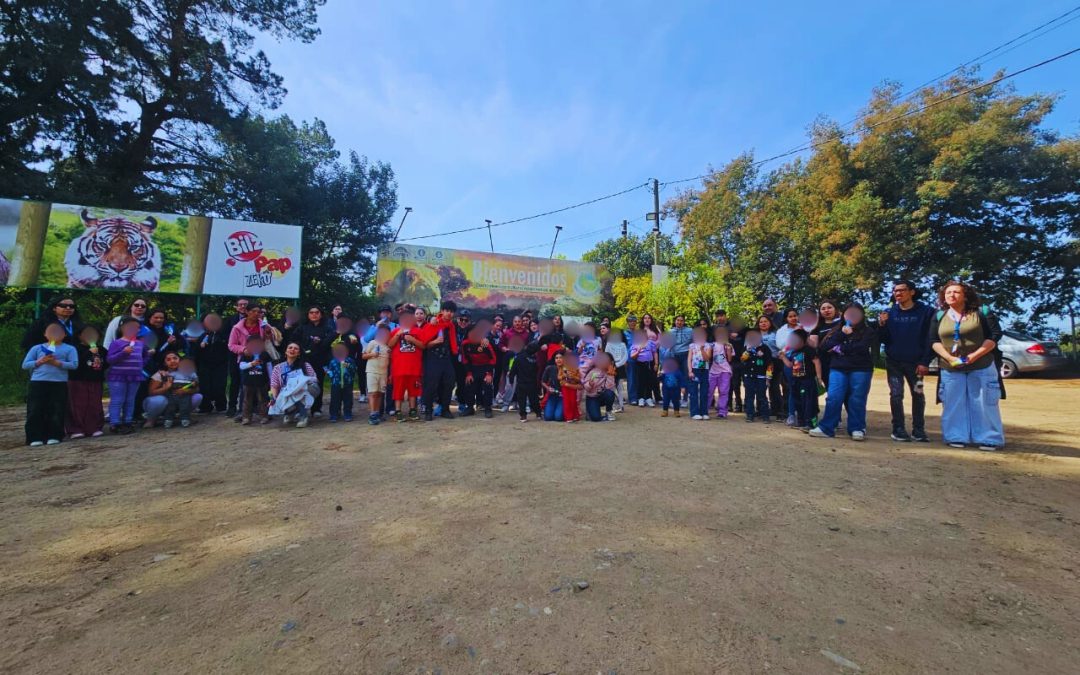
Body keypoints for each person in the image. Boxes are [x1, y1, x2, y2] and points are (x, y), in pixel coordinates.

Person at [929, 281, 1005, 451]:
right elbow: (933, 340)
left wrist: (974, 356)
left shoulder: (981, 313)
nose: (951, 295)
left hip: (981, 366)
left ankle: (989, 438)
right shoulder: (939, 315)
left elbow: (994, 335)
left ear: (965, 295)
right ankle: (956, 436)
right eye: (948, 292)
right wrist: (948, 358)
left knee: (984, 402)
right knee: (953, 402)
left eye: (956, 292)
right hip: (951, 367)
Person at [879, 280, 935, 442]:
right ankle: (898, 429)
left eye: (902, 290)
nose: (898, 294)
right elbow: (884, 339)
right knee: (896, 395)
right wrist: (882, 325)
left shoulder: (926, 312)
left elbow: (930, 338)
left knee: (918, 394)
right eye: (895, 291)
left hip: (917, 363)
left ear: (912, 292)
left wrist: (925, 362)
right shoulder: (890, 312)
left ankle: (918, 430)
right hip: (893, 362)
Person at [810, 304, 877, 441]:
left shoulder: (868, 331)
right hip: (838, 368)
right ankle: (827, 427)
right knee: (834, 397)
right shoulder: (837, 330)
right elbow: (826, 347)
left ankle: (857, 428)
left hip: (861, 369)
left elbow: (862, 348)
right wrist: (842, 335)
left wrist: (841, 347)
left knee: (857, 398)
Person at [22, 322, 77, 446]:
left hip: (59, 382)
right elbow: (25, 365)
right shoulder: (36, 348)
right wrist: (40, 361)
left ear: (64, 334)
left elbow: (74, 365)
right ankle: (34, 436)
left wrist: (58, 363)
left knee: (57, 409)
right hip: (38, 382)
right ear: (45, 334)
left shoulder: (69, 348)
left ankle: (55, 435)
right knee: (35, 409)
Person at [417, 300, 460, 421]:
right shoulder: (434, 323)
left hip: (446, 359)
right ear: (442, 311)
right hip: (433, 358)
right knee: (431, 385)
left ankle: (445, 409)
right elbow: (424, 344)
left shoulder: (451, 326)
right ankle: (428, 411)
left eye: (451, 311)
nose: (449, 313)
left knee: (449, 383)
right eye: (447, 311)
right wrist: (435, 342)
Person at [106, 318, 150, 434]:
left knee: (130, 400)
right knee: (117, 400)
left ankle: (128, 421)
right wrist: (123, 352)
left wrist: (140, 364)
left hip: (135, 376)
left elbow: (146, 356)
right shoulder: (116, 343)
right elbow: (110, 359)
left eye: (136, 327)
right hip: (117, 376)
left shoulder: (140, 344)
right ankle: (114, 423)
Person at [67, 324, 105, 439]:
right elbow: (75, 363)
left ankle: (94, 427)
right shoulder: (74, 349)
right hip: (77, 380)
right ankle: (76, 429)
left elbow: (107, 363)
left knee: (95, 404)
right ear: (79, 335)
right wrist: (89, 352)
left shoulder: (102, 349)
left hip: (96, 380)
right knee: (78, 405)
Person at [269, 343, 319, 428]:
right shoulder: (278, 368)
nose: (292, 350)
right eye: (290, 348)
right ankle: (290, 413)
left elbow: (314, 379)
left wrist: (301, 382)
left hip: (306, 390)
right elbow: (274, 385)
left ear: (299, 353)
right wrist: (272, 398)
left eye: (296, 349)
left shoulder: (305, 365)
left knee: (300, 392)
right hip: (286, 393)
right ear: (285, 351)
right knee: (279, 400)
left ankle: (303, 417)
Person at [388, 306, 424, 422]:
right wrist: (398, 334)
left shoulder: (418, 331)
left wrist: (412, 340)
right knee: (398, 390)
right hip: (399, 368)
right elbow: (389, 345)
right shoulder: (395, 331)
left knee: (413, 390)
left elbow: (423, 346)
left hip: (414, 367)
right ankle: (398, 411)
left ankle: (412, 410)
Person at [145, 354, 201, 428]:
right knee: (158, 400)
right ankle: (151, 419)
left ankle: (185, 416)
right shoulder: (161, 374)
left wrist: (185, 391)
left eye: (175, 358)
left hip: (181, 399)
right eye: (168, 360)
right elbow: (151, 393)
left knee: (197, 397)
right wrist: (165, 388)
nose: (172, 361)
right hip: (162, 402)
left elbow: (197, 389)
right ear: (164, 363)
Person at [782, 329, 822, 430]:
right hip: (796, 380)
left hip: (807, 380)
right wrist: (783, 357)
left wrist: (819, 376)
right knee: (798, 401)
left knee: (808, 401)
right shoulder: (794, 352)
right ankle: (801, 422)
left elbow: (816, 362)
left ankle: (810, 423)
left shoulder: (808, 350)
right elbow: (790, 364)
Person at [299, 306, 334, 417]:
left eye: (317, 312)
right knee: (301, 385)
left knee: (318, 384)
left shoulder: (327, 328)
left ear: (321, 314)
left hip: (320, 361)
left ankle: (316, 408)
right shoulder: (302, 328)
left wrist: (320, 342)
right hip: (304, 361)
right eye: (311, 312)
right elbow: (294, 341)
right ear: (308, 315)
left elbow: (329, 344)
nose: (314, 314)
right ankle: (301, 409)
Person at [195, 313, 231, 414]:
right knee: (204, 386)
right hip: (204, 364)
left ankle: (221, 405)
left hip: (220, 364)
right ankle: (205, 406)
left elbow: (228, 346)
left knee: (219, 386)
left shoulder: (223, 333)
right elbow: (195, 350)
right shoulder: (201, 334)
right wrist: (200, 345)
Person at [461, 322, 497, 418]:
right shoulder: (465, 344)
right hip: (473, 368)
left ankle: (488, 408)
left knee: (487, 385)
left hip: (486, 367)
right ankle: (469, 407)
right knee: (469, 384)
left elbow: (493, 359)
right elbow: (465, 360)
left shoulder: (485, 343)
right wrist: (468, 373)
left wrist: (489, 373)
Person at [237, 335, 272, 425]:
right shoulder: (246, 354)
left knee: (263, 399)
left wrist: (271, 380)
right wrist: (251, 364)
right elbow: (241, 366)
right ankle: (246, 417)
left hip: (262, 381)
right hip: (248, 382)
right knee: (247, 400)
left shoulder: (265, 354)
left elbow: (269, 367)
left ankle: (264, 416)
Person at [223, 298, 250, 416]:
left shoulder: (256, 320)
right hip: (234, 355)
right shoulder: (230, 320)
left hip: (251, 356)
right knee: (234, 381)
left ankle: (245, 408)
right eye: (240, 305)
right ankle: (232, 407)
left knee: (249, 382)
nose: (243, 306)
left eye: (245, 305)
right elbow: (224, 336)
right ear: (236, 307)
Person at [774, 308, 801, 425]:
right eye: (790, 316)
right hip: (788, 360)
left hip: (803, 359)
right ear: (786, 318)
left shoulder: (803, 328)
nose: (793, 318)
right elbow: (780, 345)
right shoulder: (781, 330)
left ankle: (804, 414)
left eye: (795, 315)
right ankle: (791, 414)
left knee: (804, 387)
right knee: (792, 386)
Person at [361, 325, 391, 425]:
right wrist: (373, 354)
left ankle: (377, 412)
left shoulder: (387, 346)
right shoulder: (372, 343)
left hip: (383, 373)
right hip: (372, 371)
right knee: (373, 393)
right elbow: (363, 356)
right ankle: (372, 414)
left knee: (380, 394)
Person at [507, 335, 541, 422]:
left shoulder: (519, 357)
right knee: (534, 399)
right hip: (531, 383)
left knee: (521, 400)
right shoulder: (534, 359)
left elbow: (513, 370)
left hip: (521, 383)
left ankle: (523, 416)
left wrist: (511, 379)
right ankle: (538, 413)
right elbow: (537, 370)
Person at [755, 315, 784, 419]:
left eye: (765, 321)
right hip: (759, 363)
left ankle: (778, 410)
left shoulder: (776, 334)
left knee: (774, 387)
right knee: (760, 386)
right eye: (761, 322)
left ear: (770, 322)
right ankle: (760, 409)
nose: (763, 323)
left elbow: (782, 346)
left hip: (774, 362)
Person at [741, 328, 772, 423]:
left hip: (761, 377)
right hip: (748, 376)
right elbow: (742, 359)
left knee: (762, 396)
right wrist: (747, 351)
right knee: (749, 396)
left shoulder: (765, 348)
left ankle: (765, 415)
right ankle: (750, 415)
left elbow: (770, 364)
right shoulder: (747, 348)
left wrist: (768, 377)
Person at [325, 342, 357, 422]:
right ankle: (334, 414)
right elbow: (329, 370)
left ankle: (347, 413)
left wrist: (348, 366)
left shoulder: (350, 360)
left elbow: (354, 370)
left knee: (348, 399)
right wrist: (331, 376)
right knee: (335, 400)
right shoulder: (333, 361)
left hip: (348, 383)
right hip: (336, 384)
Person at [687, 326, 712, 420]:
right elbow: (689, 359)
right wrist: (690, 371)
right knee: (693, 391)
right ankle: (694, 412)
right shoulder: (692, 346)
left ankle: (704, 412)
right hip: (694, 369)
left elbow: (707, 359)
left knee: (704, 391)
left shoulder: (708, 345)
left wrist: (702, 350)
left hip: (704, 370)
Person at [708, 325, 734, 419]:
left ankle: (722, 411)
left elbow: (730, 359)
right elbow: (708, 357)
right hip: (713, 371)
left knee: (723, 391)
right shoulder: (711, 345)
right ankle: (705, 408)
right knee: (709, 390)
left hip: (725, 371)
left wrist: (728, 349)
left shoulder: (728, 345)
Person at [583, 351, 617, 421]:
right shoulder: (593, 371)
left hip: (603, 396)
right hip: (592, 397)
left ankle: (608, 411)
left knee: (610, 394)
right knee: (596, 418)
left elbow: (610, 388)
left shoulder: (611, 372)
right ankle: (590, 411)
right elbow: (586, 388)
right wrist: (589, 384)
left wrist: (610, 375)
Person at [630, 329, 659, 407]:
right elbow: (632, 356)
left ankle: (649, 398)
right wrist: (638, 350)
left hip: (649, 364)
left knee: (649, 381)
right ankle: (641, 398)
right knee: (640, 382)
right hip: (640, 364)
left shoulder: (651, 343)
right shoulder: (635, 344)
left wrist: (656, 364)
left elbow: (655, 352)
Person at [604, 328, 628, 412]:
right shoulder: (609, 344)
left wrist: (618, 364)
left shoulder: (623, 344)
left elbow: (625, 356)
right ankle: (614, 404)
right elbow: (607, 355)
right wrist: (611, 365)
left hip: (620, 367)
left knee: (620, 386)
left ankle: (621, 405)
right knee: (611, 386)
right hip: (611, 367)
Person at [559, 351, 583, 423]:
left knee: (573, 401)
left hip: (573, 387)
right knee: (567, 402)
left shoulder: (576, 368)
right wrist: (564, 376)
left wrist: (573, 377)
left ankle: (575, 416)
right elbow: (559, 377)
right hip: (565, 387)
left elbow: (579, 379)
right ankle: (568, 417)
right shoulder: (562, 367)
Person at [727, 318, 746, 413]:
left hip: (744, 362)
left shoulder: (744, 335)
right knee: (733, 384)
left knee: (745, 384)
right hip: (732, 362)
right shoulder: (727, 337)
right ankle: (730, 404)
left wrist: (738, 334)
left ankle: (742, 404)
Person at [659, 353, 686, 418]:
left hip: (676, 389)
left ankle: (676, 411)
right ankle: (665, 411)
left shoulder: (678, 372)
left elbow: (682, 379)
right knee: (666, 400)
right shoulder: (664, 371)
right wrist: (660, 375)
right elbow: (660, 379)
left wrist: (683, 387)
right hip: (666, 389)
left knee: (676, 400)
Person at [541, 350, 565, 421]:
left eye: (560, 357)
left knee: (558, 417)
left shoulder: (568, 369)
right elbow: (543, 381)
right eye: (556, 358)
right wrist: (548, 388)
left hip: (564, 396)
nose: (558, 360)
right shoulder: (550, 368)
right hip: (553, 394)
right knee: (548, 417)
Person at [623, 314, 639, 403]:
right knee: (631, 378)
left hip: (640, 359)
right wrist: (624, 359)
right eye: (630, 321)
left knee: (639, 378)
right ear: (628, 323)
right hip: (629, 359)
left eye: (634, 321)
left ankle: (640, 397)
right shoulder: (624, 334)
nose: (632, 323)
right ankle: (632, 398)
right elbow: (622, 347)